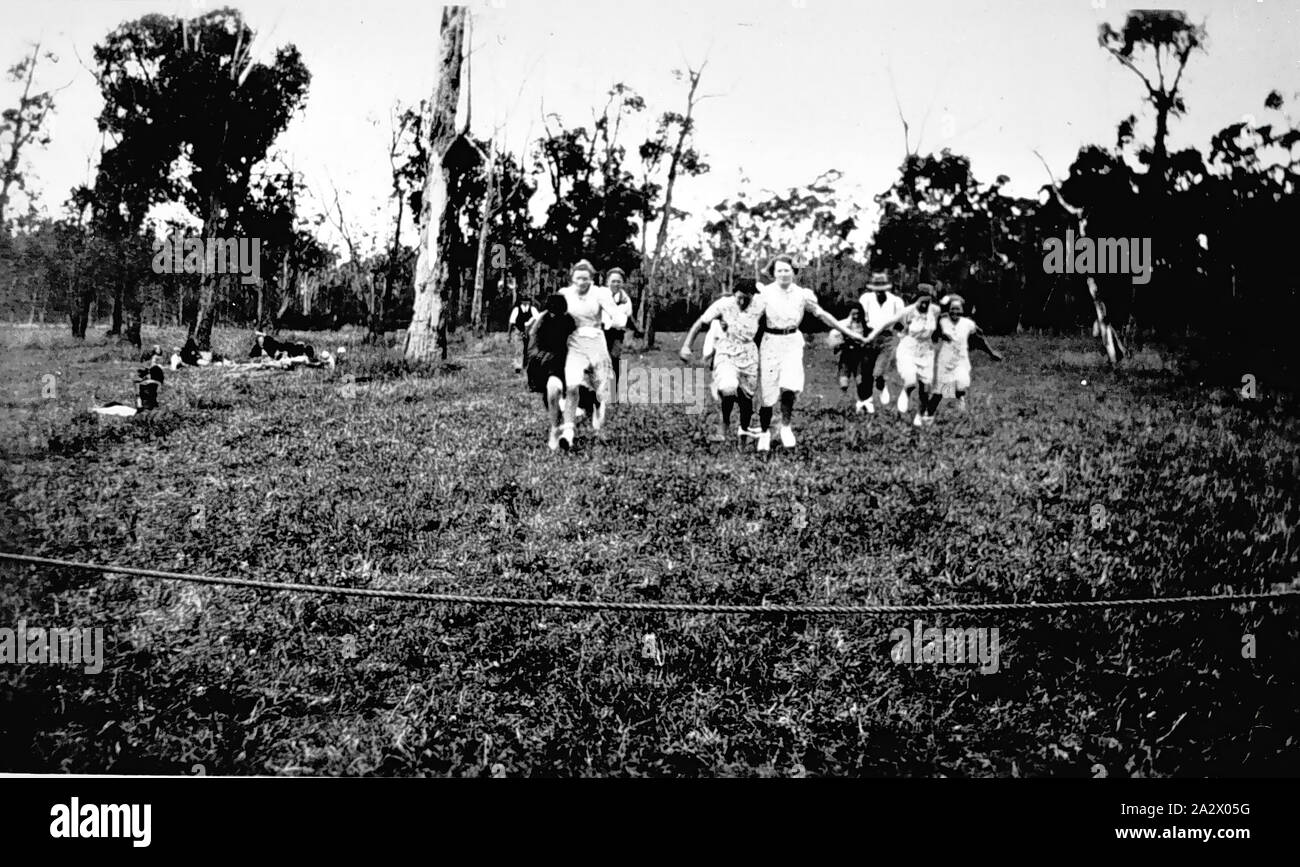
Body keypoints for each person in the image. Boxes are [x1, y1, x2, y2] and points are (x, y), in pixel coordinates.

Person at [755, 256, 867, 451]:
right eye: (779, 270)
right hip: (770, 343)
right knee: (769, 393)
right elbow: (750, 317)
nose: (783, 274)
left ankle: (786, 427)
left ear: (794, 272)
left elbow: (823, 315)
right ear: (773, 273)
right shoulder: (765, 294)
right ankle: (764, 432)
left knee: (789, 387)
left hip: (792, 342)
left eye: (787, 270)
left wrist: (848, 332)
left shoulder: (802, 294)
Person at [679, 278, 763, 445]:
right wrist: (686, 346)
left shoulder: (761, 305)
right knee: (728, 386)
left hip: (748, 354)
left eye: (746, 298)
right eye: (739, 297)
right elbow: (700, 324)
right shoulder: (724, 304)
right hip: (726, 351)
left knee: (747, 400)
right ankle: (724, 425)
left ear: (753, 296)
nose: (741, 301)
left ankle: (743, 432)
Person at [557, 259, 628, 449]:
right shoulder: (565, 294)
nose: (582, 283)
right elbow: (551, 314)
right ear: (572, 278)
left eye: (586, 279)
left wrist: (617, 321)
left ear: (592, 279)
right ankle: (568, 432)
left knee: (601, 386)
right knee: (572, 386)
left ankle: (598, 410)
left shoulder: (600, 294)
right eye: (578, 278)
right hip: (575, 342)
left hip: (596, 340)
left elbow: (617, 315)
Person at [863, 283, 941, 427]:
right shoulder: (908, 311)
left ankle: (920, 414)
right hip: (908, 348)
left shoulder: (935, 311)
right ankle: (906, 391)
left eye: (928, 301)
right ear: (916, 300)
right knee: (911, 380)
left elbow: (941, 323)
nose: (925, 305)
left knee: (926, 387)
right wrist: (871, 335)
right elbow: (888, 322)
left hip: (926, 351)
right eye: (922, 301)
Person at [926, 294, 1002, 418]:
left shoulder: (968, 324)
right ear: (948, 310)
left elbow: (979, 339)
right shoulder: (942, 321)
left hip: (961, 360)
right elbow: (933, 336)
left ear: (962, 310)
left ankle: (958, 406)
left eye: (958, 309)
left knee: (961, 383)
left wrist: (991, 352)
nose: (955, 312)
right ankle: (928, 413)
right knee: (943, 388)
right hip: (946, 360)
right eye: (952, 309)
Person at [523, 293, 575, 451]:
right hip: (543, 364)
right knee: (551, 395)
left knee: (555, 390)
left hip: (563, 363)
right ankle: (555, 428)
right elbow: (532, 343)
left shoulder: (569, 321)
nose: (555, 312)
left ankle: (561, 428)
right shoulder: (541, 321)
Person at [857, 272, 906, 414]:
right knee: (866, 372)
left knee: (878, 372)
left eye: (882, 290)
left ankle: (881, 384)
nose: (879, 293)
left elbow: (901, 322)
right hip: (869, 337)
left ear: (887, 288)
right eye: (876, 290)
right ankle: (866, 403)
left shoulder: (896, 302)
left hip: (886, 338)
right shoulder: (866, 299)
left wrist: (904, 336)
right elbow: (861, 319)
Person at [602, 267, 641, 390]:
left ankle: (614, 392)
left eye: (618, 281)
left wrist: (637, 330)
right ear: (607, 282)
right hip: (600, 332)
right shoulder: (600, 295)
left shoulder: (625, 300)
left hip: (617, 333)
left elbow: (626, 317)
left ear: (622, 283)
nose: (615, 284)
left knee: (614, 359)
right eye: (613, 281)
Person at [828, 306, 869, 404]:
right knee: (844, 378)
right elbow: (835, 336)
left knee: (860, 378)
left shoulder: (864, 325)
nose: (856, 316)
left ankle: (862, 400)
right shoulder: (844, 324)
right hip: (846, 354)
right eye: (854, 314)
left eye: (858, 313)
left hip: (859, 355)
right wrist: (840, 344)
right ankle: (844, 400)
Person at [509, 293, 539, 372]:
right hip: (519, 331)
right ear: (521, 301)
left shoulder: (533, 309)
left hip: (530, 332)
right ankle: (518, 366)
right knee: (519, 348)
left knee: (529, 348)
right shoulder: (517, 309)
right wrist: (509, 334)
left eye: (527, 301)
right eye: (524, 301)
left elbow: (538, 320)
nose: (526, 303)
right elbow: (511, 322)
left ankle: (528, 364)